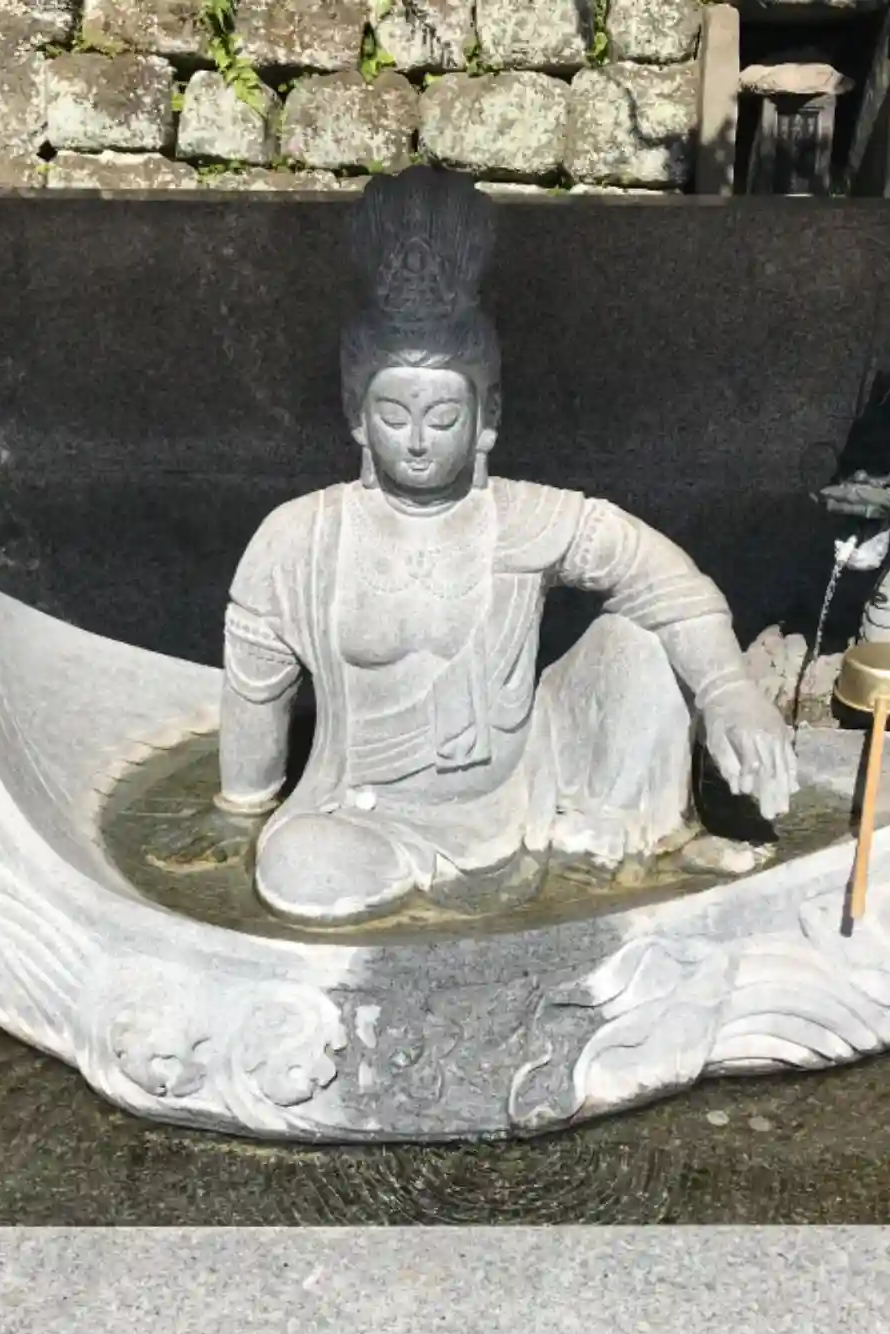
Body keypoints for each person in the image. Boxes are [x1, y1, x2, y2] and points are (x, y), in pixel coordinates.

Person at [209, 168, 797, 923]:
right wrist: (239, 810)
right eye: (392, 414)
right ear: (356, 414)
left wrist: (729, 692)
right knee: (303, 869)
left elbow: (666, 579)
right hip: (369, 815)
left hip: (531, 792)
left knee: (639, 639)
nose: (416, 440)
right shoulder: (301, 538)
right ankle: (572, 874)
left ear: (486, 418)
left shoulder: (523, 518)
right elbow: (255, 696)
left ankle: (619, 835)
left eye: (442, 418)